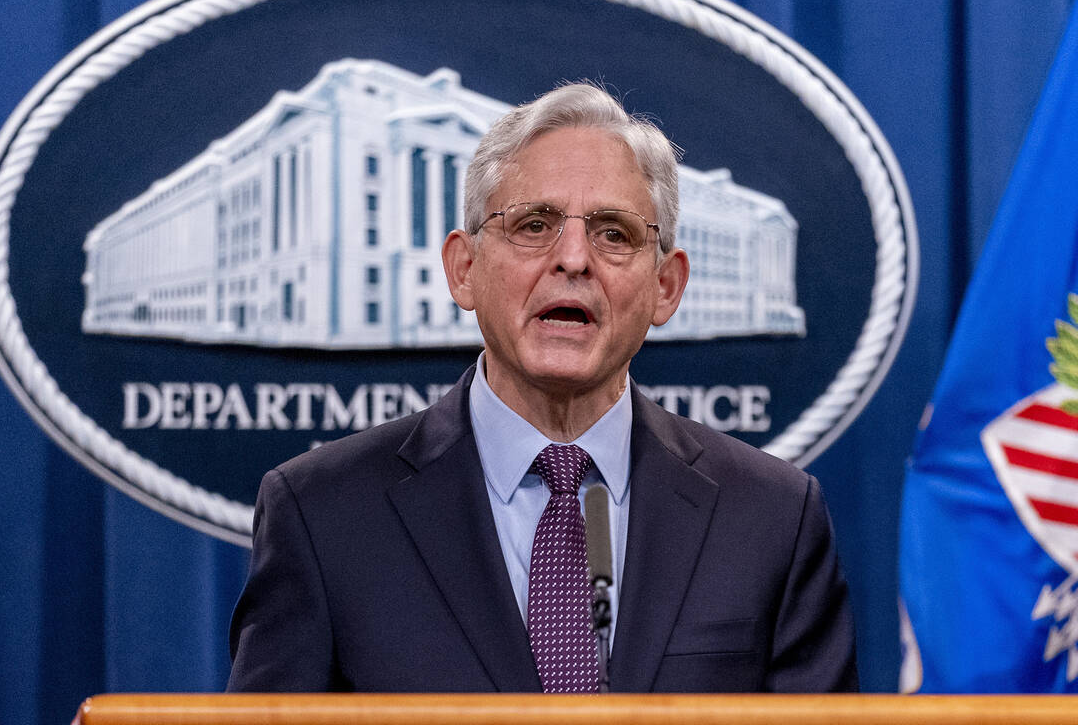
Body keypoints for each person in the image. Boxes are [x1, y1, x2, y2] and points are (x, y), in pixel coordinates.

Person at [227, 83, 858, 693]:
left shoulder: (773, 517)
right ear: (464, 269)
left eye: (615, 233)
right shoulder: (322, 514)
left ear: (666, 285)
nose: (574, 259)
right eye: (534, 225)